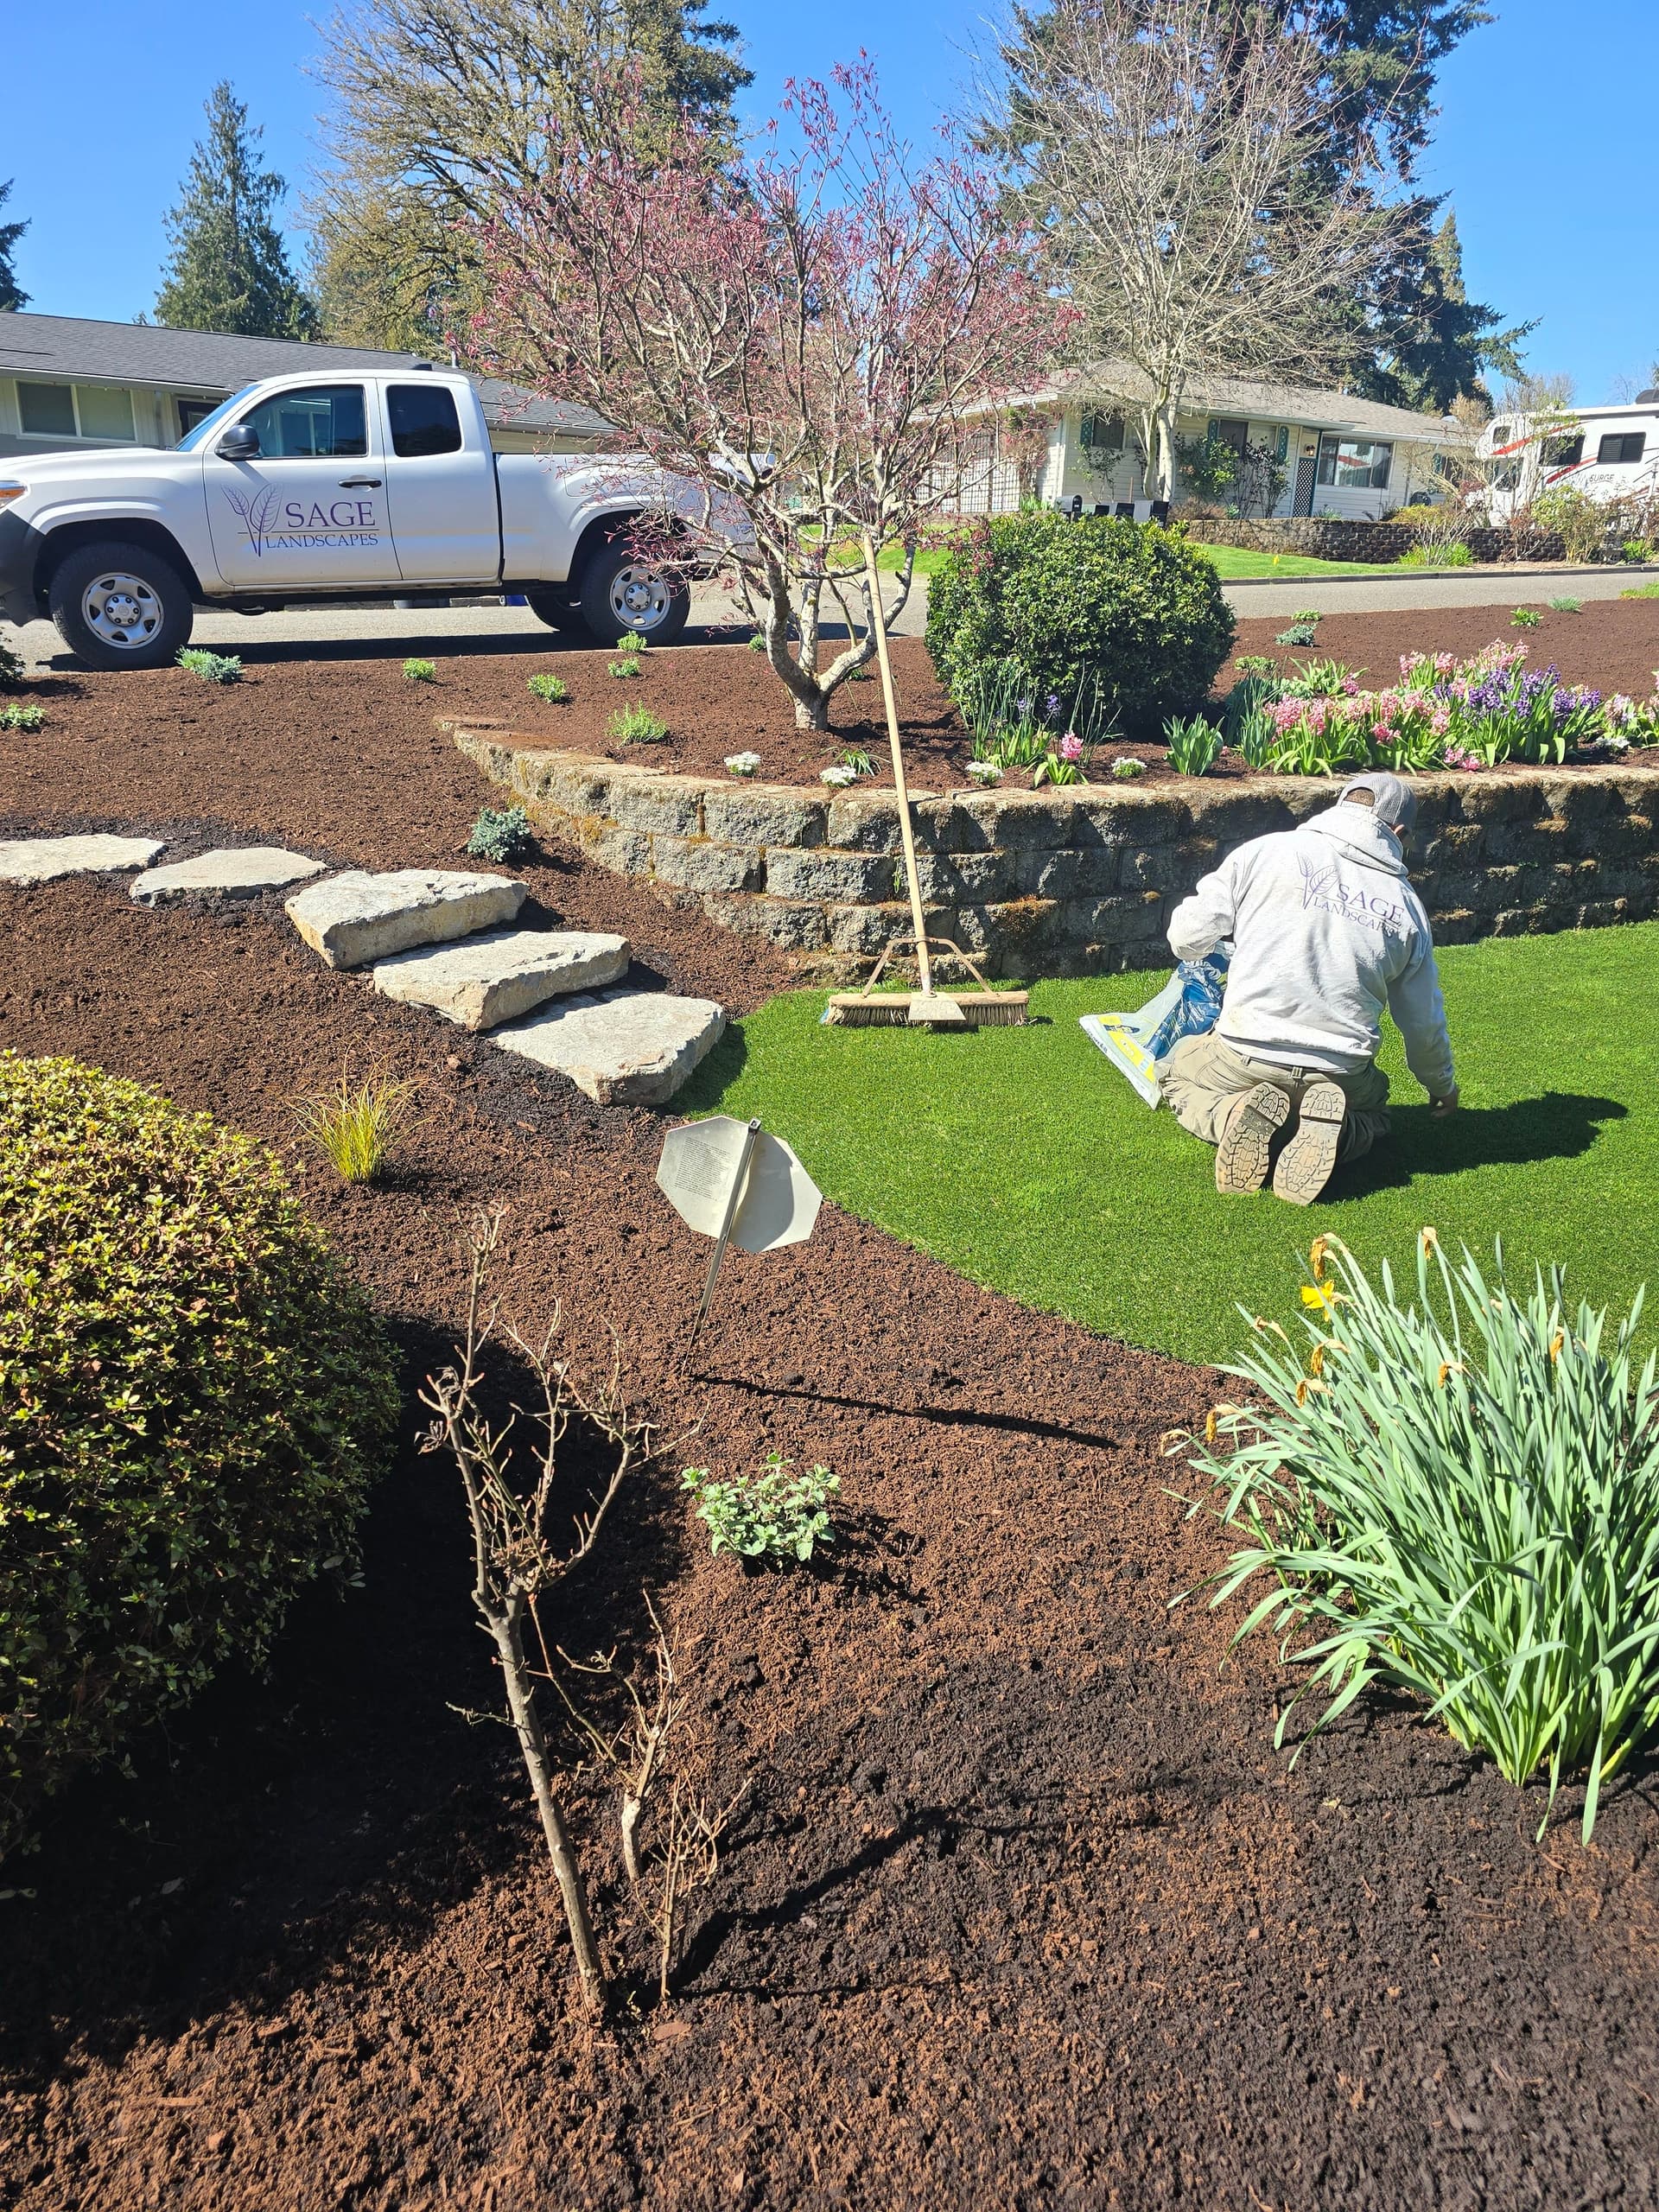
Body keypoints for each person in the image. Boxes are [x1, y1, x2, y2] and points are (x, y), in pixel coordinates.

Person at [1158, 772, 1459, 1205]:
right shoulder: (1408, 905)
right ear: (1399, 833)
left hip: (1246, 1053)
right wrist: (1442, 1087)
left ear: (1339, 805)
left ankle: (1231, 1116)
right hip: (1340, 1072)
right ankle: (1341, 1131)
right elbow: (1422, 1021)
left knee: (1176, 1072)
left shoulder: (1264, 852)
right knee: (1376, 1114)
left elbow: (1185, 937)